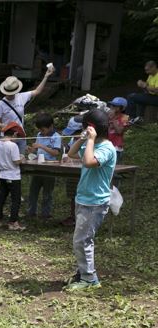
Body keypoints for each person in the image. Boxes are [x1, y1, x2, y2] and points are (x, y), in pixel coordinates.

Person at [64, 109, 116, 291]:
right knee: (82, 239)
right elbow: (71, 154)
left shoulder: (107, 148)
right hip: (83, 198)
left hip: (95, 202)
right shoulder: (90, 145)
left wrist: (91, 141)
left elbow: (88, 162)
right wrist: (82, 138)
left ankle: (89, 279)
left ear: (92, 128)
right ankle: (83, 272)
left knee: (82, 240)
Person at [0, 64, 56, 153]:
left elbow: (37, 91)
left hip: (21, 135)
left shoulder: (21, 97)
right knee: (10, 159)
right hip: (8, 137)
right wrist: (4, 126)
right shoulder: (0, 104)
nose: (10, 94)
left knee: (21, 159)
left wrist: (46, 76)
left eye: (12, 92)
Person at [26, 112, 62, 219]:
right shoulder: (39, 135)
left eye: (43, 130)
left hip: (49, 168)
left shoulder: (56, 137)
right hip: (38, 167)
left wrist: (41, 146)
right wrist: (31, 150)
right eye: (40, 130)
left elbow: (56, 153)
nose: (41, 132)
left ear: (51, 126)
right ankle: (31, 212)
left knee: (47, 193)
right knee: (33, 191)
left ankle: (46, 214)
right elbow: (36, 149)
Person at [0, 122, 26, 231]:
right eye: (18, 137)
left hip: (2, 174)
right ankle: (13, 222)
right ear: (15, 134)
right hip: (13, 175)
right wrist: (22, 157)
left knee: (1, 198)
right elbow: (16, 161)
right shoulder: (13, 145)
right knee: (15, 199)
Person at [59, 115, 84, 227]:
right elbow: (69, 151)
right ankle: (73, 216)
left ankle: (79, 218)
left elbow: (85, 156)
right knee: (72, 195)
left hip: (82, 172)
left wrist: (72, 157)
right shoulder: (72, 139)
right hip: (71, 170)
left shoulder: (86, 141)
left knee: (80, 194)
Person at [107, 97, 129, 163]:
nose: (112, 107)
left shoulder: (124, 118)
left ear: (122, 108)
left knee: (115, 167)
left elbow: (119, 131)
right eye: (112, 105)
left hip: (116, 147)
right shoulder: (108, 115)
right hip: (106, 145)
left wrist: (113, 119)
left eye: (116, 106)